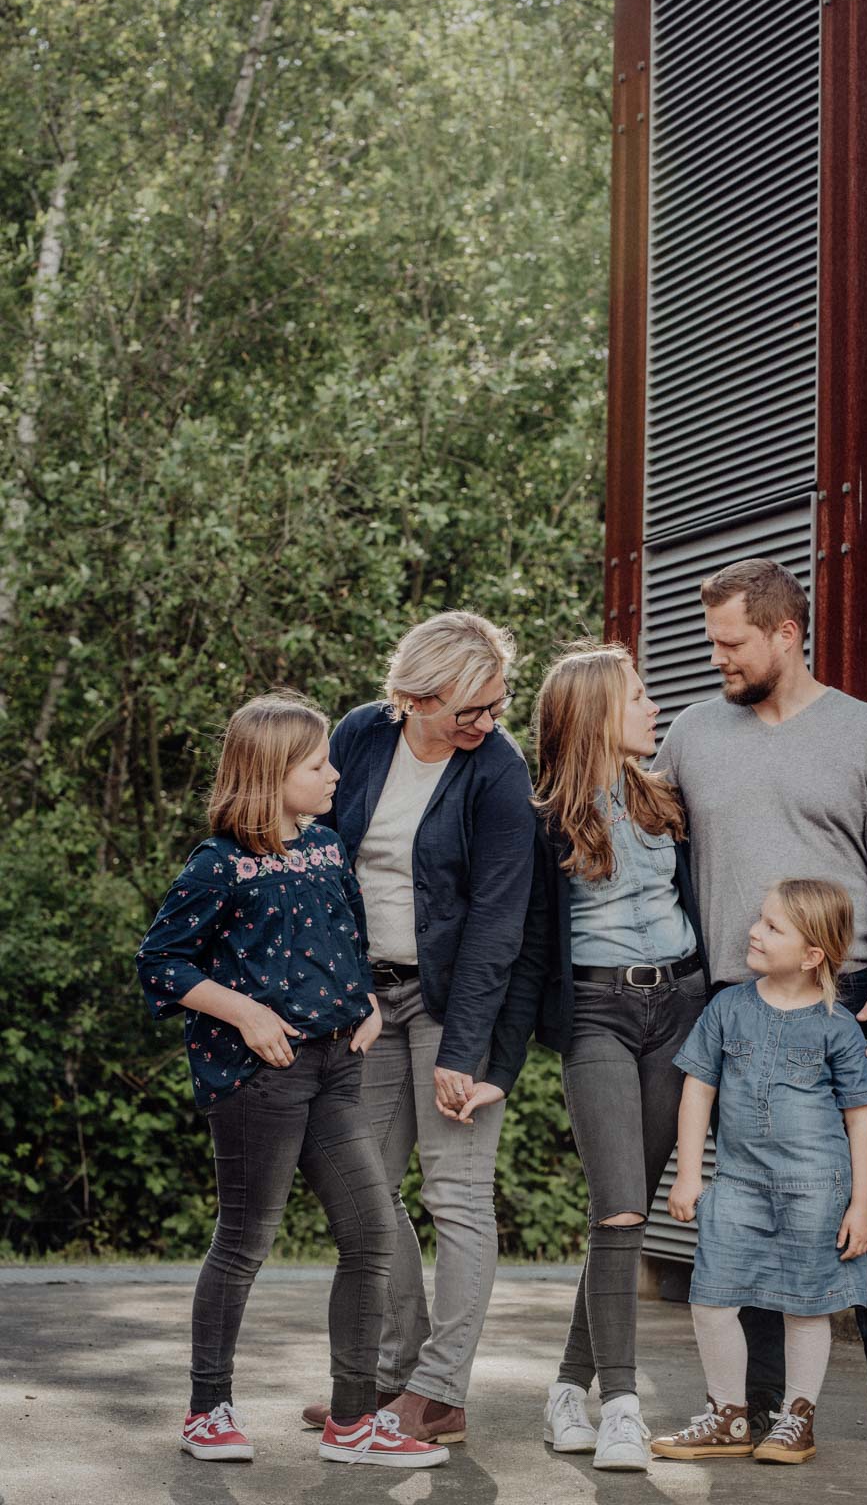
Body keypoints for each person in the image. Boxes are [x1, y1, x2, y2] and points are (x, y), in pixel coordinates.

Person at [654, 557, 867, 1456]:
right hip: (733, 1000)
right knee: (748, 1200)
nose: (715, 657)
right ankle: (761, 1409)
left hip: (846, 1004)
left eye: (730, 643)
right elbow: (628, 818)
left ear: (786, 634)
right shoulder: (691, 732)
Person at [135, 692, 446, 1471]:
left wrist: (367, 997)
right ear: (273, 775)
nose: (335, 774)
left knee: (371, 1237)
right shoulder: (217, 866)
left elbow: (348, 933)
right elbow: (162, 964)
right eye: (316, 765)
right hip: (258, 1078)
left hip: (340, 1069)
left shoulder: (326, 847)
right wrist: (244, 1013)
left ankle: (352, 1422)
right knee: (243, 1244)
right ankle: (207, 1412)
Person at [471, 641, 712, 1472]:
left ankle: (569, 1387)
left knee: (630, 1207)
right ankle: (621, 1405)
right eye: (640, 696)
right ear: (600, 712)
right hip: (599, 1017)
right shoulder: (543, 822)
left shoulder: (667, 802)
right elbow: (525, 951)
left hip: (681, 1008)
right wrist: (494, 1065)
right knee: (617, 1210)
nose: (654, 708)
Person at [299, 611, 535, 1446]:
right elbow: (319, 864)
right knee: (366, 1188)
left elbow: (499, 923)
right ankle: (390, 1375)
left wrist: (465, 1051)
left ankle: (440, 1391)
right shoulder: (362, 735)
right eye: (471, 710)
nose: (488, 724)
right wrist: (337, 991)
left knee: (457, 1195)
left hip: (454, 1006)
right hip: (365, 1001)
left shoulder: (499, 771)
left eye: (498, 705)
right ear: (414, 698)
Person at [652, 880, 867, 1465]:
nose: (755, 931)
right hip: (736, 1185)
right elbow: (697, 1093)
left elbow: (861, 1121)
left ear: (812, 955)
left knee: (806, 1306)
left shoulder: (838, 1026)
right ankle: (728, 1417)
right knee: (711, 1297)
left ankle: (795, 1421)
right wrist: (687, 1177)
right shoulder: (727, 1008)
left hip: (815, 1190)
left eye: (773, 927)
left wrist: (860, 1205)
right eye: (760, 919)